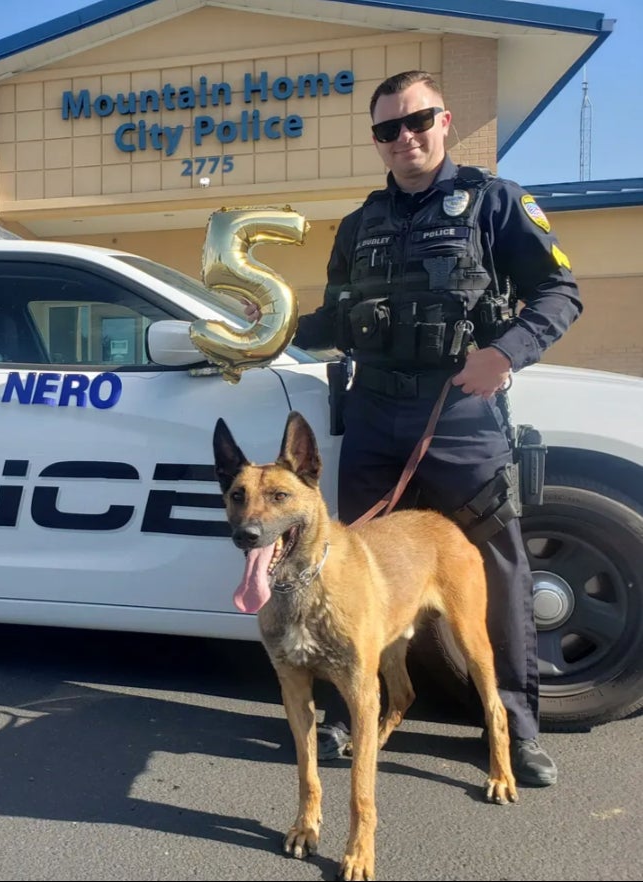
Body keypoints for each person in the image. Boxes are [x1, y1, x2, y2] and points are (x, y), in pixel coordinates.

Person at [244, 70, 581, 787]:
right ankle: (345, 714)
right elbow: (334, 322)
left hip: (459, 412)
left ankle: (516, 729)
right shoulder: (360, 224)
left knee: (497, 569)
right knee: (345, 567)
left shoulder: (495, 203)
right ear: (376, 141)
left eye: (417, 121)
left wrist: (501, 354)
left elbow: (559, 292)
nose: (404, 138)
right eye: (387, 129)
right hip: (372, 413)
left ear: (444, 120)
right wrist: (270, 333)